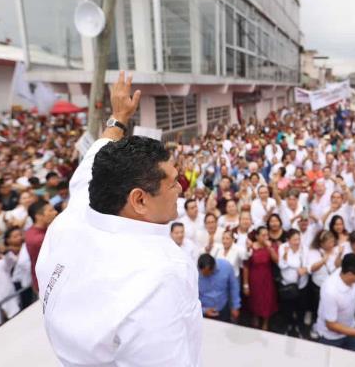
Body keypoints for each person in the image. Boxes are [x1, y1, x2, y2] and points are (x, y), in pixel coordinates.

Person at [35, 73, 202, 366]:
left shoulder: (77, 211)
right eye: (173, 183)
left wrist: (119, 118)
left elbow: (97, 153)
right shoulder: (159, 277)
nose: (180, 188)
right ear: (139, 200)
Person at [315, 253, 355, 351]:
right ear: (350, 275)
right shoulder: (331, 291)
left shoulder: (351, 277)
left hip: (351, 328)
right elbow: (331, 325)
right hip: (331, 337)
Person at [243, 226, 278, 330]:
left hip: (267, 279)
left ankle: (266, 322)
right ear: (257, 236)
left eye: (267, 235)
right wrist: (245, 284)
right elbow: (246, 267)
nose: (265, 237)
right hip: (254, 279)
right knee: (255, 300)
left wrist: (270, 248)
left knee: (267, 300)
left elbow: (276, 260)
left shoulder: (271, 246)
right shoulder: (251, 248)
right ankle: (255, 317)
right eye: (263, 235)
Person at [278, 229, 309, 337]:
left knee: (301, 308)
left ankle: (299, 327)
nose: (297, 242)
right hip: (287, 285)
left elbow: (306, 264)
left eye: (298, 239)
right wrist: (287, 256)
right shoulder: (283, 247)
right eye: (294, 239)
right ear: (288, 240)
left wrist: (302, 268)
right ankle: (288, 326)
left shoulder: (304, 248)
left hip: (301, 284)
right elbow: (282, 265)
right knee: (287, 308)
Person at [24, 199, 58, 292]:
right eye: (50, 210)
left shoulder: (31, 231)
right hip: (48, 285)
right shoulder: (39, 239)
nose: (55, 212)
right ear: (39, 216)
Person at [197, 254, 240, 323]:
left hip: (223, 309)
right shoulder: (195, 272)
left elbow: (234, 286)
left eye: (206, 274)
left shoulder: (226, 267)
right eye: (202, 273)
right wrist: (203, 310)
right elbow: (191, 297)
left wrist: (235, 306)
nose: (203, 275)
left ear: (213, 268)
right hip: (203, 311)